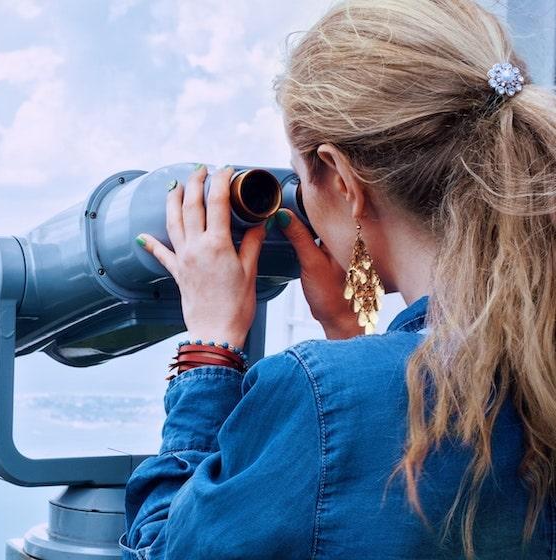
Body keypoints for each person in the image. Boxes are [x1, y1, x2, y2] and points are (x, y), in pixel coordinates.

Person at [123, 0, 556, 558]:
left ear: (345, 180)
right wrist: (354, 342)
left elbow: (164, 549)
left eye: (302, 181)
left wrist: (210, 350)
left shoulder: (319, 392)